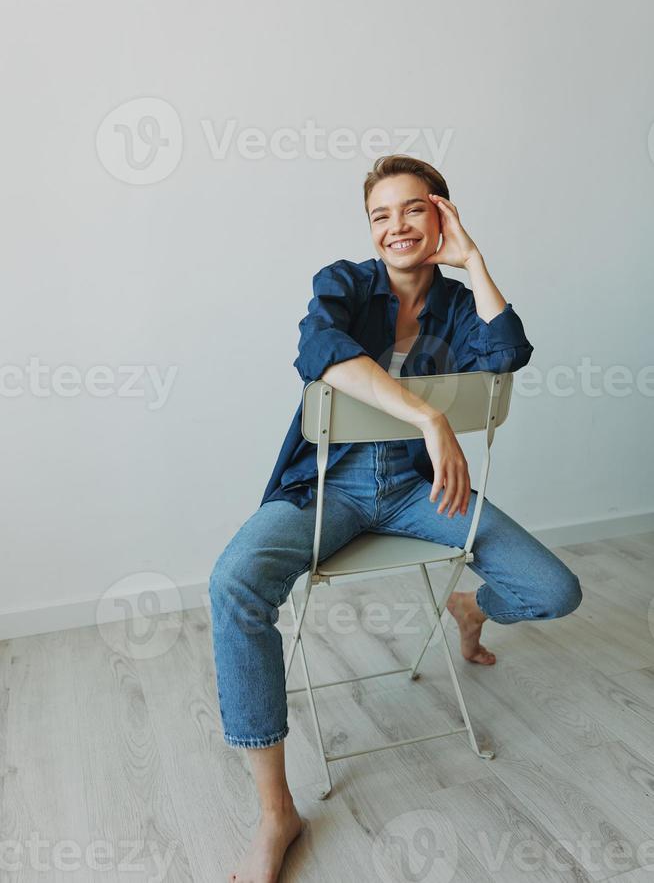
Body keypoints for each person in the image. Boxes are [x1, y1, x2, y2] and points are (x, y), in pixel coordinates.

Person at [208, 154, 583, 883]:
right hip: (328, 489)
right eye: (382, 215)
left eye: (413, 209)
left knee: (555, 589)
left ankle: (470, 609)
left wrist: (473, 260)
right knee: (234, 586)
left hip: (419, 489)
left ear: (440, 212)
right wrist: (429, 415)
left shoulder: (453, 302)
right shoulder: (345, 283)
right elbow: (319, 351)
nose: (396, 227)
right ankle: (275, 812)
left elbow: (508, 355)